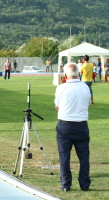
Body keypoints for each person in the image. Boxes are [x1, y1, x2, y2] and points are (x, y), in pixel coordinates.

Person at [54, 63, 91, 192]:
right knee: (84, 156)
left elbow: (57, 107)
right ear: (79, 74)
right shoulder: (85, 87)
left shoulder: (61, 88)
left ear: (65, 75)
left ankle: (66, 184)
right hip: (81, 124)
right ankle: (84, 183)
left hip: (66, 124)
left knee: (64, 156)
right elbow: (87, 104)